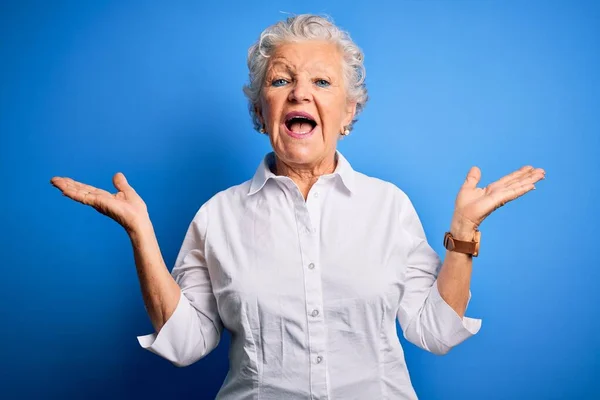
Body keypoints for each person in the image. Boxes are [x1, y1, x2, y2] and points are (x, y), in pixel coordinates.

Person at [50, 14, 545, 400]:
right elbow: (184, 344)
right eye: (281, 81)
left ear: (350, 110)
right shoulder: (216, 218)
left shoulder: (389, 207)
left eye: (322, 83)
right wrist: (141, 234)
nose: (300, 93)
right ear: (260, 110)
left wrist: (464, 232)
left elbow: (436, 330)